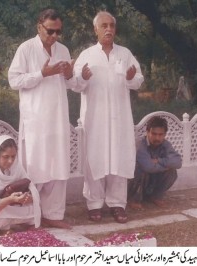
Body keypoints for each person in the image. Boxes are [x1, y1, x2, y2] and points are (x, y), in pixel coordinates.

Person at [73, 11, 144, 223]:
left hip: (120, 117)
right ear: (95, 29)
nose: (109, 29)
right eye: (104, 25)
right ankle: (94, 204)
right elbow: (75, 84)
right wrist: (82, 79)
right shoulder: (86, 55)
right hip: (95, 118)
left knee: (119, 158)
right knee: (95, 159)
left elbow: (139, 78)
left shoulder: (125, 53)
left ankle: (117, 204)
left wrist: (132, 79)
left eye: (112, 26)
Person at [8, 9, 75, 229]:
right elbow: (14, 81)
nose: (54, 36)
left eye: (58, 32)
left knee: (58, 166)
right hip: (35, 118)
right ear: (39, 27)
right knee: (36, 167)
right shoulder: (26, 49)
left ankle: (53, 214)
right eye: (50, 31)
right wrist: (41, 74)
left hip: (58, 117)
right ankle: (30, 215)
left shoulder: (63, 49)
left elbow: (70, 85)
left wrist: (68, 75)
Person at [128, 116, 182, 209]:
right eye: (154, 134)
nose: (157, 137)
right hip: (133, 185)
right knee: (139, 169)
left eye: (161, 134)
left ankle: (155, 196)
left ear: (165, 134)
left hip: (150, 182)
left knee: (172, 171)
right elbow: (148, 167)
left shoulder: (165, 144)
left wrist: (159, 161)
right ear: (147, 132)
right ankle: (134, 199)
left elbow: (178, 163)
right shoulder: (140, 144)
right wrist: (166, 165)